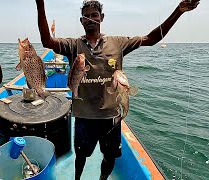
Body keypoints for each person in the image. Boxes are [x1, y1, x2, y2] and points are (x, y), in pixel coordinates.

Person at [34, 0, 200, 179]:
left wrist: (179, 11)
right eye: (86, 16)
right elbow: (47, 41)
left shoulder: (117, 43)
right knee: (81, 155)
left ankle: (102, 179)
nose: (91, 19)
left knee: (110, 156)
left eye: (94, 15)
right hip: (83, 116)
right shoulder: (73, 45)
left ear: (102, 18)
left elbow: (151, 39)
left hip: (111, 116)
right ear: (81, 21)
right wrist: (40, 4)